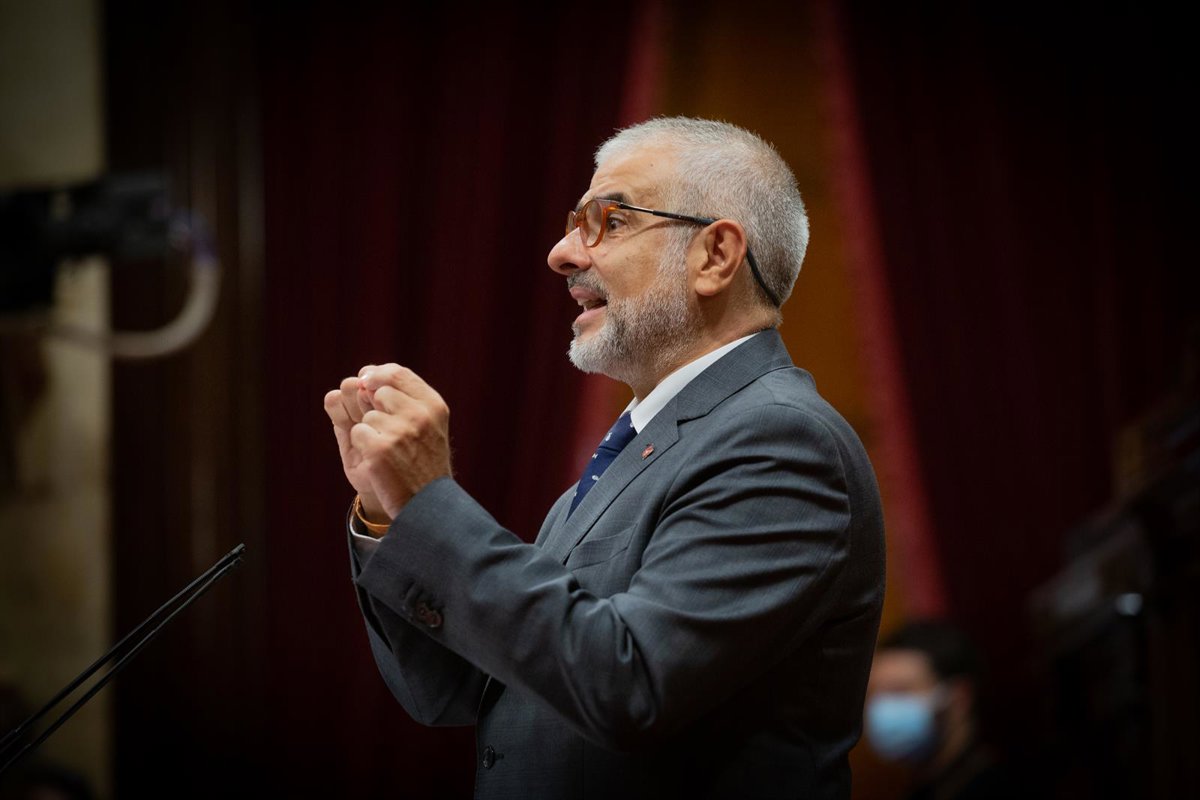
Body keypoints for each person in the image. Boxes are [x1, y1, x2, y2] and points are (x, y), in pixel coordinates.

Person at [323, 117, 886, 799]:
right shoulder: (635, 451)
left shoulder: (781, 441)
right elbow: (453, 691)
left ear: (714, 255)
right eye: (574, 224)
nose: (561, 253)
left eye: (609, 221)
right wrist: (393, 514)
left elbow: (627, 687)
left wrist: (432, 503)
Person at [864, 620, 1016, 800]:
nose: (882, 707)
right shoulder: (926, 789)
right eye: (875, 693)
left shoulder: (997, 789)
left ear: (960, 698)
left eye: (899, 691)